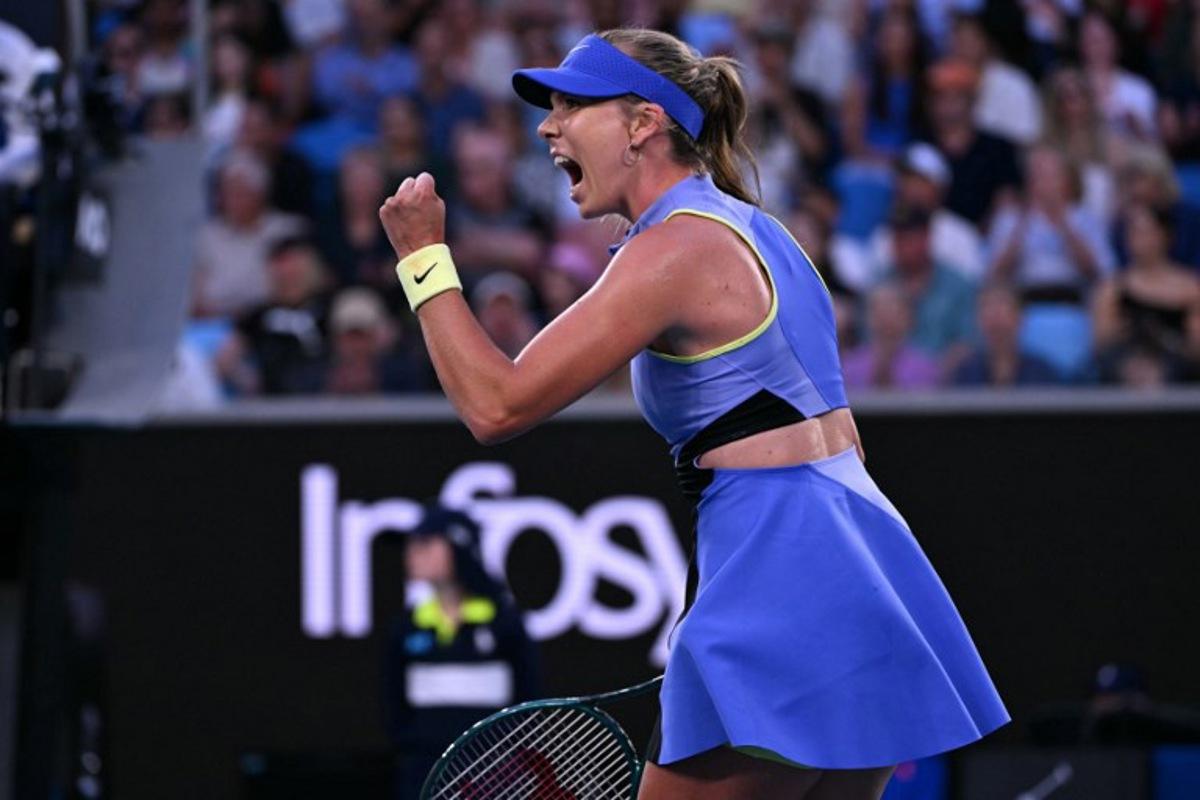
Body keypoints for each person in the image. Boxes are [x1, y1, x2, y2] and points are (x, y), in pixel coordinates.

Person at [379, 29, 1008, 800]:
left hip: (784, 565)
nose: (548, 124)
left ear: (643, 122)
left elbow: (495, 404)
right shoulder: (762, 232)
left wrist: (422, 260)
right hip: (862, 560)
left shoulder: (674, 250)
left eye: (573, 104)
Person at [383, 504, 539, 799]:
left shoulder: (506, 624)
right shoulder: (404, 628)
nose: (412, 553)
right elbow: (393, 711)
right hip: (422, 778)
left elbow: (529, 703)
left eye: (426, 543)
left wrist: (502, 762)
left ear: (459, 547)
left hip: (497, 781)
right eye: (412, 544)